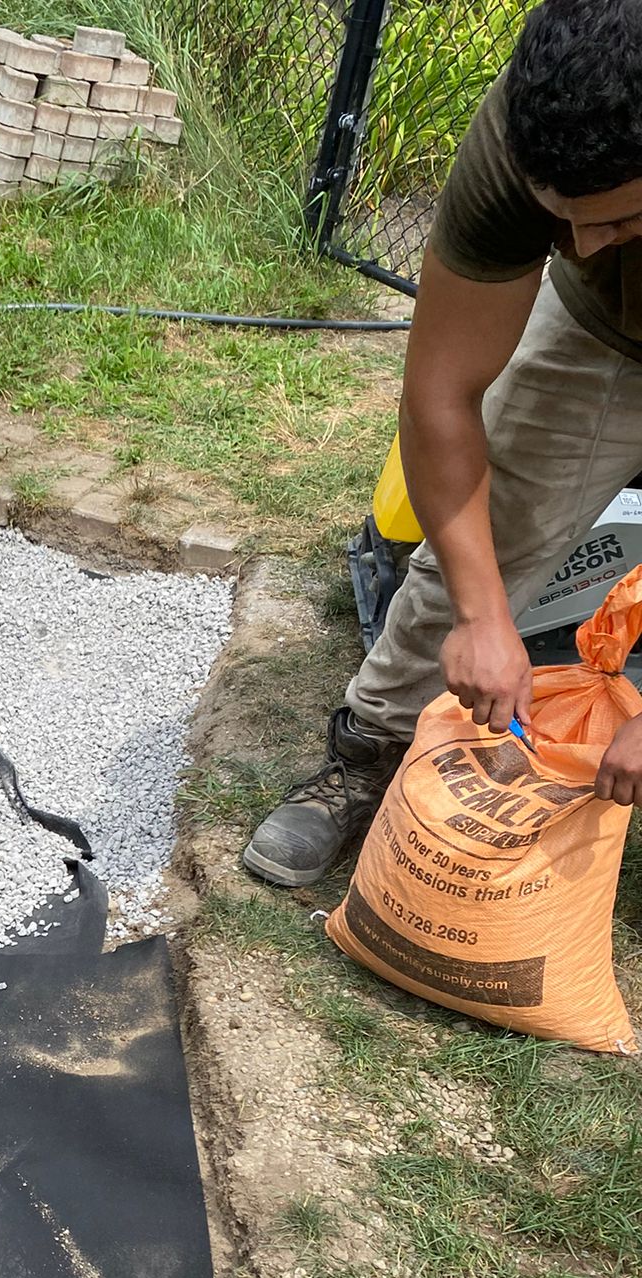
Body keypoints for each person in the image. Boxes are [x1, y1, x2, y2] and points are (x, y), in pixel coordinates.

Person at [243, 0, 642, 890]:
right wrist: (481, 615)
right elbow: (438, 399)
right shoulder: (526, 132)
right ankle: (369, 748)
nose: (581, 247)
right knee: (496, 525)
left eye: (617, 221)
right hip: (606, 337)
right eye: (561, 222)